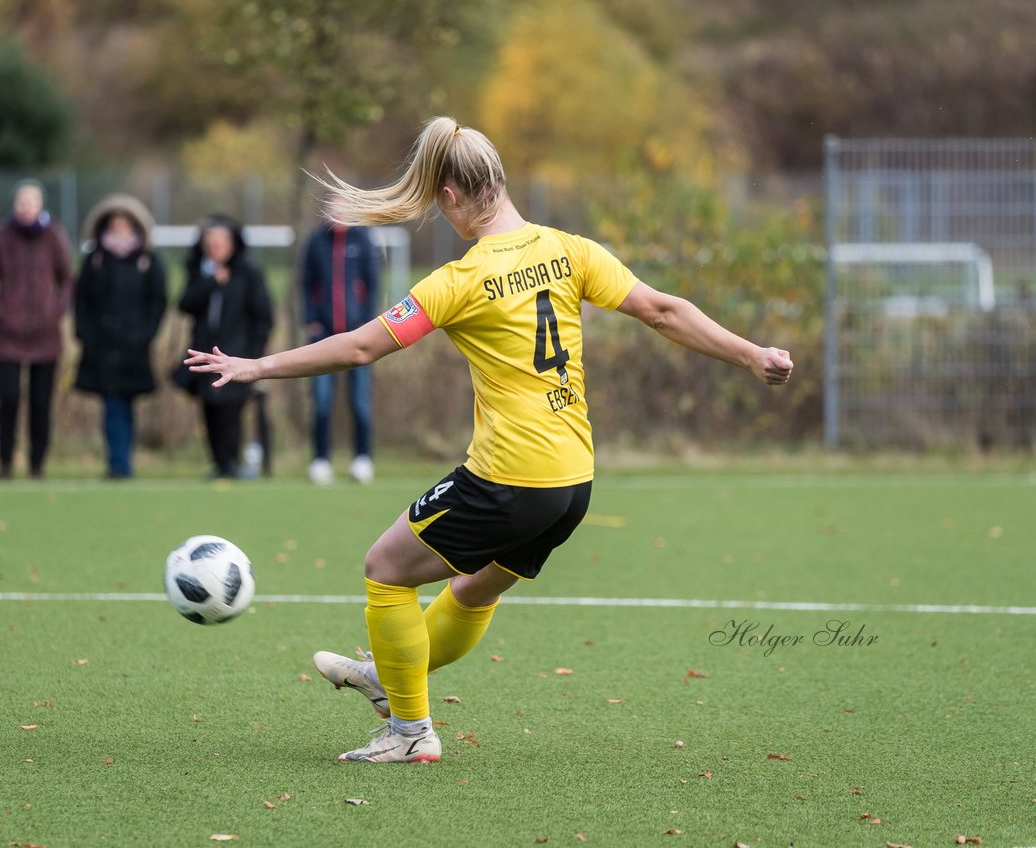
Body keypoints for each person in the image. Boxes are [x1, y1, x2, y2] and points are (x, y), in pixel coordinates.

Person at [186, 117, 793, 764]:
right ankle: (385, 678)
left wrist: (257, 366)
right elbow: (664, 311)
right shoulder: (570, 250)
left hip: (509, 478)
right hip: (572, 485)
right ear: (499, 178)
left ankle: (410, 729)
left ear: (449, 196)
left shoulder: (460, 280)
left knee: (385, 571)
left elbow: (362, 346)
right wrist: (752, 354)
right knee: (472, 590)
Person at [0, 180, 73, 480]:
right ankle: (5, 463)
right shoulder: (0, 237)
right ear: (15, 205)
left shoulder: (54, 236)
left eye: (32, 202)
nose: (26, 208)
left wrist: (54, 312)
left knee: (41, 403)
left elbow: (68, 280)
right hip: (8, 336)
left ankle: (37, 465)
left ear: (40, 204)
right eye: (22, 202)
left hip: (46, 336)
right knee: (9, 399)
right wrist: (0, 313)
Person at [73, 194, 167, 479]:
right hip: (102, 346)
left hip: (134, 348)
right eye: (114, 223)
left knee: (125, 405)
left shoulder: (148, 261)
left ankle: (122, 461)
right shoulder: (94, 260)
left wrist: (144, 335)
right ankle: (118, 464)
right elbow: (81, 301)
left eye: (125, 223)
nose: (119, 228)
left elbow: (158, 301)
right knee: (112, 405)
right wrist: (85, 335)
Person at [179, 215, 274, 479]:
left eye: (220, 243)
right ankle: (219, 464)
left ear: (232, 244)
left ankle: (231, 462)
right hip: (204, 353)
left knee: (231, 409)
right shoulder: (199, 271)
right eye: (210, 243)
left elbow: (263, 317)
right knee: (208, 407)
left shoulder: (248, 274)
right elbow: (184, 304)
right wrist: (211, 283)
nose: (214, 248)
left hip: (237, 354)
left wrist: (254, 355)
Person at [301, 196, 381, 484]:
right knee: (321, 401)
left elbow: (372, 284)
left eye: (342, 207)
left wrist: (367, 323)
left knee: (359, 401)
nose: (336, 213)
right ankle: (321, 460)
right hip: (322, 335)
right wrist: (311, 319)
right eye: (331, 208)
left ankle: (362, 459)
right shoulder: (315, 241)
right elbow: (307, 284)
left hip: (358, 335)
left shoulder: (363, 240)